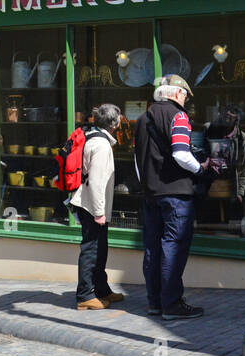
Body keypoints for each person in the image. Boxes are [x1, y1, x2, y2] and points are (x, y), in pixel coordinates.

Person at [134, 74, 208, 320]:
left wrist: (145, 184)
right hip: (176, 193)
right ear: (177, 93)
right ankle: (172, 304)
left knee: (153, 248)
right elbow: (181, 154)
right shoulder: (179, 116)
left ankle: (155, 302)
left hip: (150, 193)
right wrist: (200, 169)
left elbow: (137, 161)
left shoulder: (142, 118)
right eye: (185, 95)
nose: (186, 101)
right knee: (173, 248)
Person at [68, 104, 125, 310]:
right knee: (91, 250)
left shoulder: (93, 138)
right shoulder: (101, 146)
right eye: (118, 121)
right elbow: (97, 181)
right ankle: (85, 295)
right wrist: (99, 212)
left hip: (89, 204)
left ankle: (101, 289)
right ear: (113, 124)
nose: (120, 124)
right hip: (92, 206)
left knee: (100, 248)